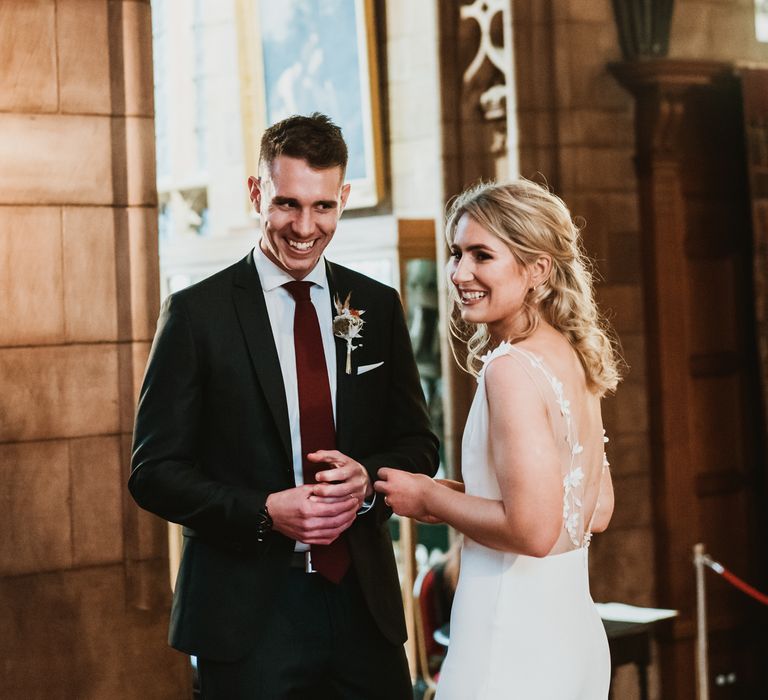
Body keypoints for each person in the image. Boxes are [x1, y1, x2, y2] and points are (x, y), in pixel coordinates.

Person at [129, 113, 439, 699]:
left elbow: (420, 444)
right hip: (247, 619)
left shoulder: (375, 304)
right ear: (256, 193)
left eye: (323, 207)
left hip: (363, 608)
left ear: (343, 197)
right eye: (287, 204)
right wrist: (264, 510)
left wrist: (367, 479)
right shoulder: (197, 315)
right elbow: (153, 475)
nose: (305, 227)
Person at [375, 179, 621, 698]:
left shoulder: (510, 369)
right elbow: (590, 510)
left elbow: (533, 528)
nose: (460, 273)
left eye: (481, 255)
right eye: (457, 253)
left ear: (537, 269)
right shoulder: (572, 357)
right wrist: (448, 495)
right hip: (571, 632)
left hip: (511, 636)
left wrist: (431, 497)